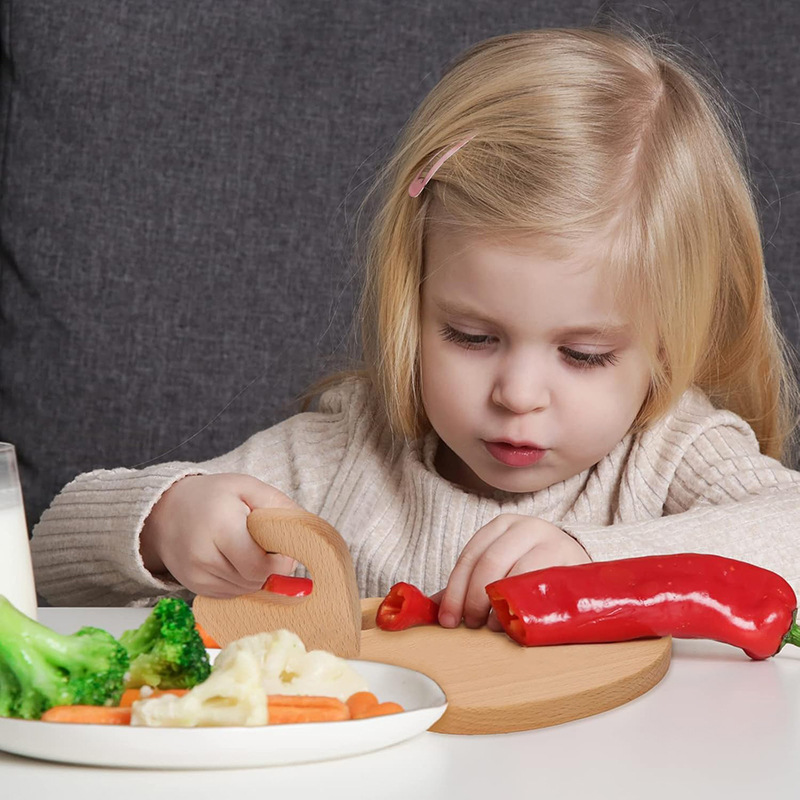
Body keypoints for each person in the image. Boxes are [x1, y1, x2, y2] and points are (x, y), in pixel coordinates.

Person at [31, 26, 800, 628]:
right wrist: (165, 523)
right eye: (472, 337)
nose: (518, 394)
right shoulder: (340, 457)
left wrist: (596, 562)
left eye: (583, 353)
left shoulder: (670, 456)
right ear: (414, 300)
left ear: (667, 343)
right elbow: (42, 563)